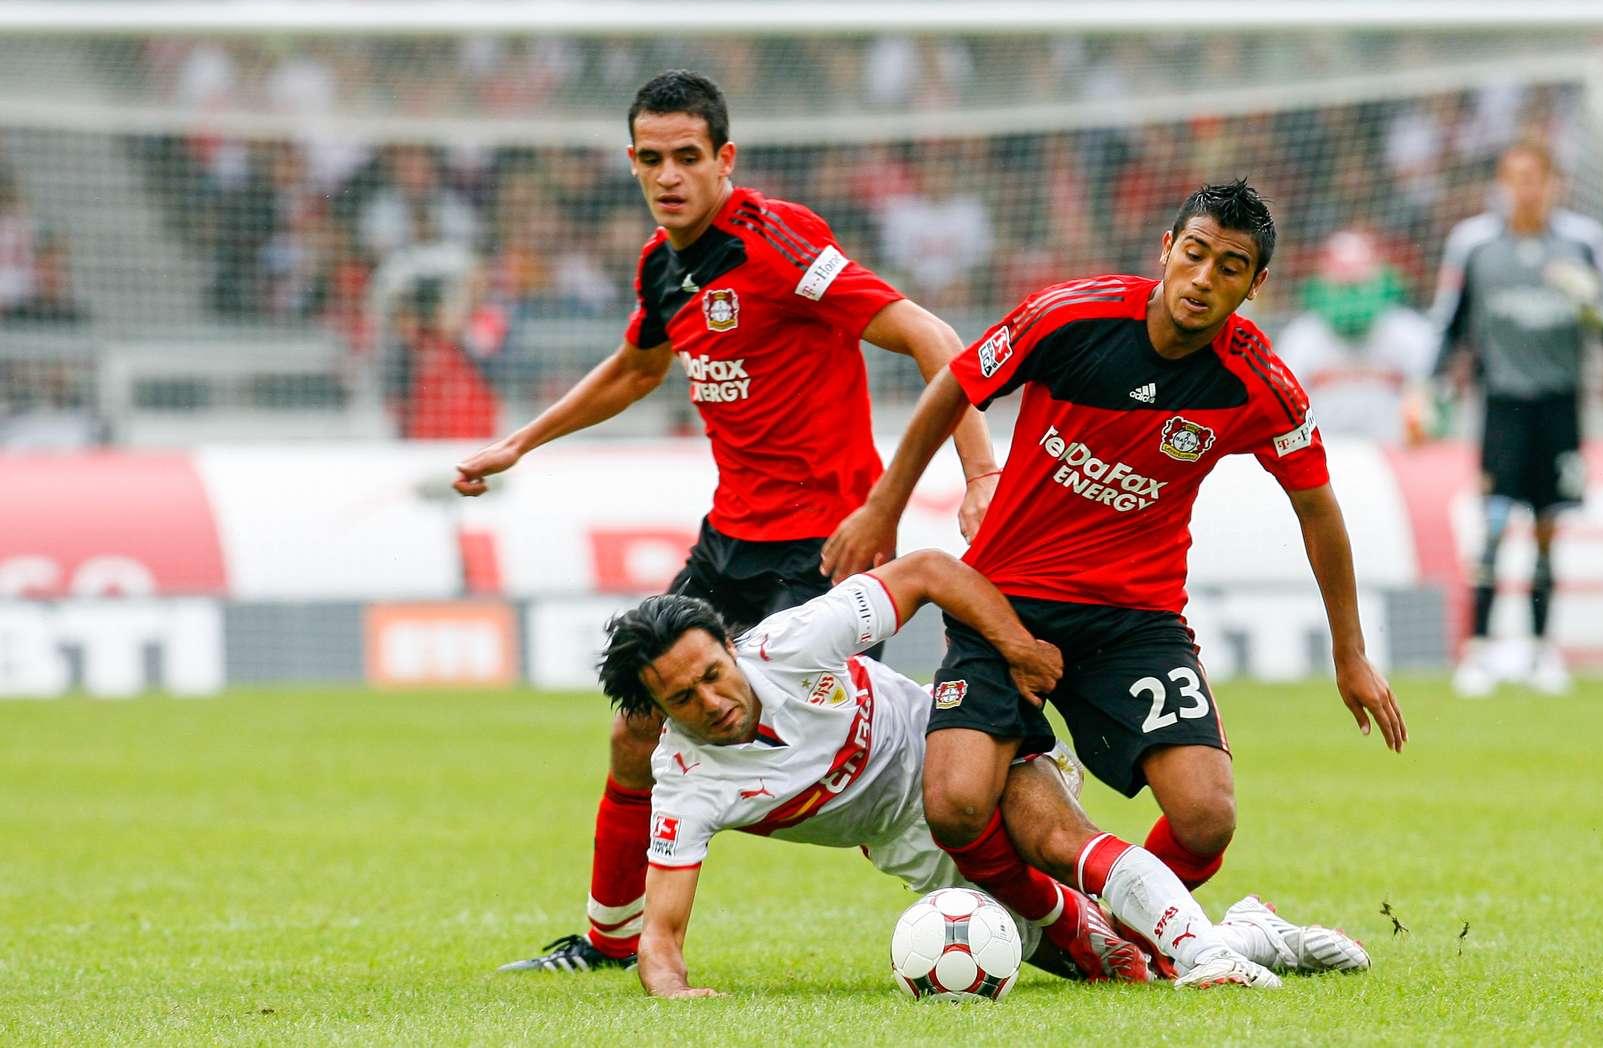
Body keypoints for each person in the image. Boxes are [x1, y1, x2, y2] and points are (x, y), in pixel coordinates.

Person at [462, 70, 1001, 972]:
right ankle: (609, 940)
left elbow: (931, 336)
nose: (667, 176)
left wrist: (979, 467)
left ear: (725, 160)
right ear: (632, 163)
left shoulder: (781, 243)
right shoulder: (663, 264)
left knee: (822, 764)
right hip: (729, 543)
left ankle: (1009, 894)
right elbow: (637, 370)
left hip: (828, 545)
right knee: (637, 726)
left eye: (686, 158)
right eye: (650, 160)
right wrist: (523, 442)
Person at [822, 180, 1406, 974]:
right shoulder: (1072, 316)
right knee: (956, 808)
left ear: (1254, 285)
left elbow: (1320, 511)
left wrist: (1350, 653)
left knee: (1206, 818)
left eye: (1230, 267)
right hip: (1006, 604)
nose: (1204, 279)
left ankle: (1130, 937)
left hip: (1134, 620)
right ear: (1167, 249)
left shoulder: (1257, 382)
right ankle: (1088, 936)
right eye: (1194, 254)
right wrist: (886, 505)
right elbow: (957, 384)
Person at [605, 550, 1366, 996]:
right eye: (683, 696)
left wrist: (1016, 646)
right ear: (656, 710)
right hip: (924, 855)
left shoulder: (793, 643)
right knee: (1111, 965)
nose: (714, 700)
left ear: (729, 648)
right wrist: (675, 995)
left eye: (713, 672)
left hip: (970, 750)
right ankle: (1249, 935)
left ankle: (1209, 951)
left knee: (1059, 841)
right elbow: (662, 937)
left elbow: (931, 570)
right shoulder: (687, 780)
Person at [1421, 142, 1603, 698]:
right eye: (1515, 178)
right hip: (1502, 404)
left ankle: (1542, 652)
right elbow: (1450, 322)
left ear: (1554, 184)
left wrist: (1593, 309)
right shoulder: (1475, 244)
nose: (1526, 189)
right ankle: (1479, 651)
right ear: (1501, 182)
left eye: (1536, 178)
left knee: (1546, 531)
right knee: (1492, 528)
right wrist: (1429, 386)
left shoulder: (1583, 242)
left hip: (1561, 404)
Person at [1274, 229, 1439, 446]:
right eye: (1343, 285)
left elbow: (1426, 401)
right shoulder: (1301, 337)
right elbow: (1282, 412)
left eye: (1358, 285)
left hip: (1391, 457)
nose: (1351, 295)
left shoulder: (1409, 332)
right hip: (1324, 459)